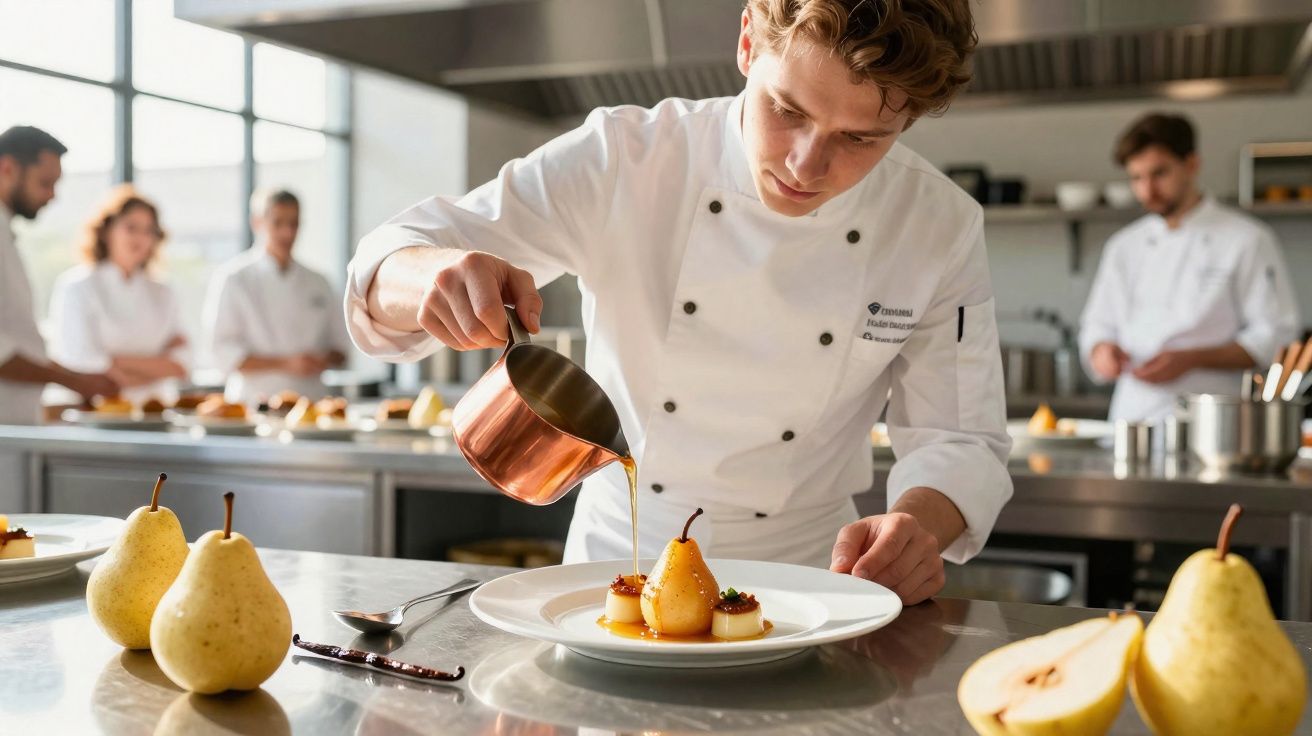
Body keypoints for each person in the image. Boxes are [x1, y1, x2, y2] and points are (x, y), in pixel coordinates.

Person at [347, 0, 1012, 605]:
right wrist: (428, 274)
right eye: (788, 110)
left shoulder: (937, 225)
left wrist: (917, 528)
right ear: (748, 43)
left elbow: (959, 438)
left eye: (859, 140)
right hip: (616, 571)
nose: (807, 166)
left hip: (814, 585)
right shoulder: (625, 159)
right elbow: (388, 264)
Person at [1080, 113, 1300, 423]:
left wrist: (1191, 359)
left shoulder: (1247, 239)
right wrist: (1101, 351)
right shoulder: (1123, 246)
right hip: (1133, 420)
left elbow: (1275, 335)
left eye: (1159, 174)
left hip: (1215, 423)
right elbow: (1097, 326)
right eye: (1136, 178)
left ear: (1192, 164)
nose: (1147, 190)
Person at [0, 125, 118, 424]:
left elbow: (19, 344)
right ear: (8, 168)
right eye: (45, 183)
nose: (52, 196)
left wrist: (73, 376)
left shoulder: (6, 234)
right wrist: (73, 381)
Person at [203, 189, 351, 403]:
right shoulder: (234, 279)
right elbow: (221, 352)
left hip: (311, 402)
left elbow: (342, 348)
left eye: (294, 223)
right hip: (253, 403)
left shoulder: (319, 282)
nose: (287, 233)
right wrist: (286, 364)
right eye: (278, 223)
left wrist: (322, 360)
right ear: (257, 223)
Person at [49, 186, 189, 404]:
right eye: (131, 228)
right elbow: (80, 363)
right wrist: (156, 367)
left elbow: (183, 363)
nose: (140, 238)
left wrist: (115, 362)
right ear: (106, 231)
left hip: (156, 409)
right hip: (96, 411)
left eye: (148, 230)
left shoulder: (163, 291)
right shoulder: (78, 286)